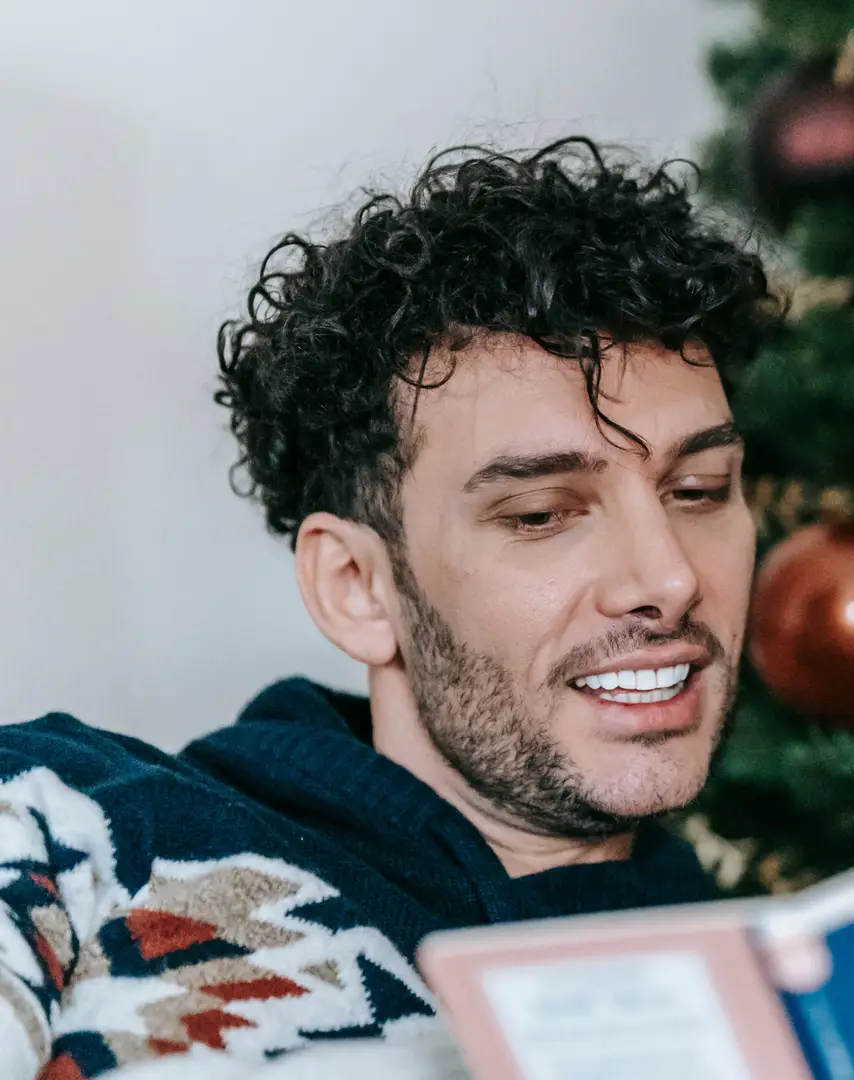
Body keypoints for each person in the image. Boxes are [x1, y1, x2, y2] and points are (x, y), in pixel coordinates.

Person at [0, 138, 776, 1078]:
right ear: (358, 589)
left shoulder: (778, 995)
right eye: (541, 515)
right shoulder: (59, 822)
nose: (671, 577)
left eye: (698, 490)